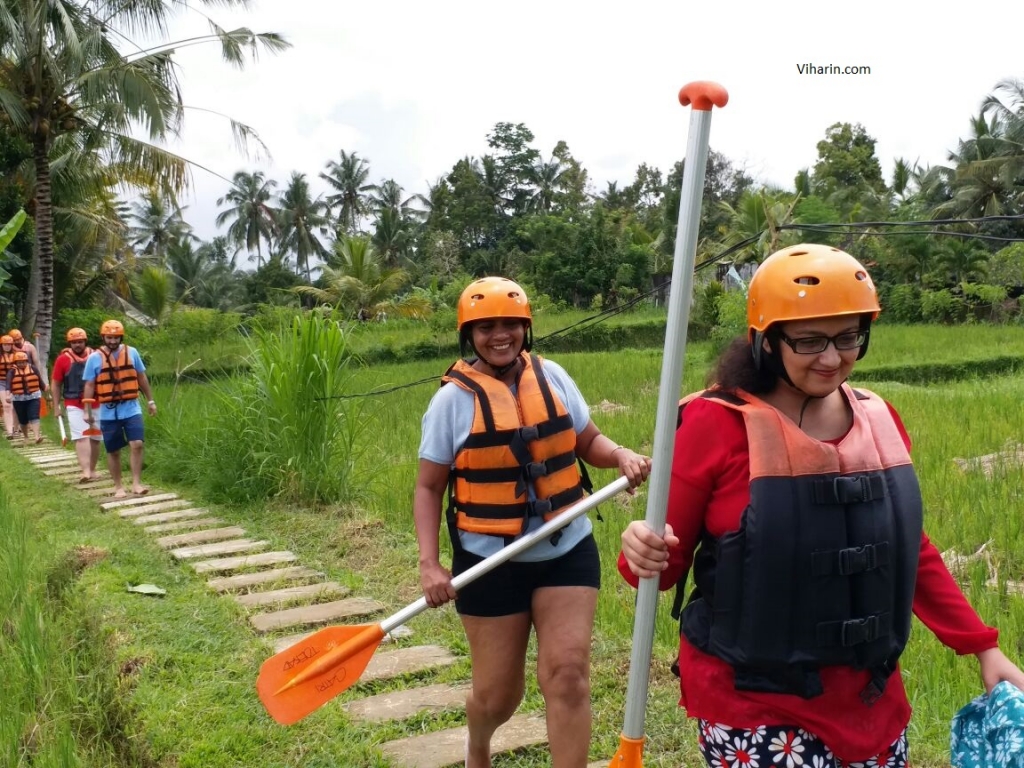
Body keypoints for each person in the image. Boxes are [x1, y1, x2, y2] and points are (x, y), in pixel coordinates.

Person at [619, 244, 1024, 768]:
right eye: (809, 340)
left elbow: (908, 549)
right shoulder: (712, 423)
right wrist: (642, 549)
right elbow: (654, 567)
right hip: (754, 704)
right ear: (765, 341)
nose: (832, 358)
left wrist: (982, 647)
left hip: (869, 699)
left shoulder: (880, 420)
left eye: (848, 337)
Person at [414, 277, 651, 768]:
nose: (500, 336)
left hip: (565, 547)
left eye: (510, 325)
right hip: (489, 559)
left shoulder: (554, 377)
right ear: (469, 335)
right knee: (498, 697)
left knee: (567, 673)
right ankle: (478, 744)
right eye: (486, 328)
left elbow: (588, 441)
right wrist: (429, 564)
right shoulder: (451, 402)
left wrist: (622, 454)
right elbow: (429, 486)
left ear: (526, 328)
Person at [81, 320, 157, 499]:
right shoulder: (94, 358)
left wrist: (151, 401)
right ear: (104, 337)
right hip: (107, 410)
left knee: (137, 443)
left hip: (131, 407)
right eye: (109, 338)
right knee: (113, 450)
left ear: (120, 337)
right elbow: (90, 384)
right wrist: (87, 410)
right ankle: (118, 487)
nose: (113, 341)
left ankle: (137, 483)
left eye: (116, 338)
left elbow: (141, 377)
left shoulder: (132, 353)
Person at [52, 327, 103, 482]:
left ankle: (92, 469)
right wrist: (56, 406)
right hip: (73, 403)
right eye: (74, 342)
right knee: (81, 437)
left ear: (85, 341)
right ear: (70, 343)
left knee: (95, 438)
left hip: (96, 403)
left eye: (80, 342)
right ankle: (85, 471)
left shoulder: (96, 356)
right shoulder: (62, 359)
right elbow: (56, 383)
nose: (77, 345)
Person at [6, 350, 50, 443]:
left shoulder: (33, 368)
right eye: (19, 362)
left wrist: (45, 388)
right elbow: (8, 385)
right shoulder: (12, 372)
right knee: (23, 419)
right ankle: (26, 437)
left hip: (34, 397)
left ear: (26, 361)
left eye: (23, 362)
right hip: (19, 399)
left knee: (34, 416)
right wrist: (8, 395)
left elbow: (39, 381)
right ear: (15, 363)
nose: (22, 363)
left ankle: (37, 437)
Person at [0, 334, 17, 438]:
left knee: (14, 407)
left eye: (9, 344)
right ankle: (10, 432)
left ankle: (16, 427)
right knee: (6, 405)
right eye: (5, 344)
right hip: (1, 382)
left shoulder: (17, 355)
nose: (7, 346)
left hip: (14, 382)